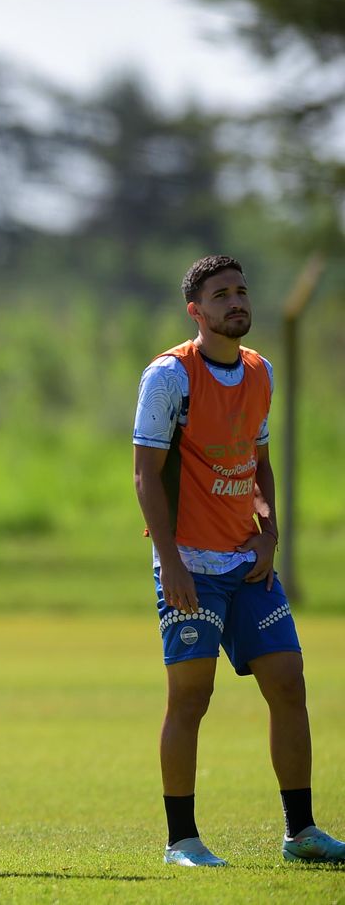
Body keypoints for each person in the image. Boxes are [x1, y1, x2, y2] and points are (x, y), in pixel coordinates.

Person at [133, 255, 345, 867]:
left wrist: (269, 533)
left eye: (241, 291)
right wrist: (168, 560)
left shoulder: (260, 372)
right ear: (196, 311)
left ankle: (301, 832)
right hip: (190, 565)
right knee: (190, 699)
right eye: (221, 295)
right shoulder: (168, 377)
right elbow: (146, 475)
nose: (236, 302)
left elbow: (259, 464)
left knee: (289, 682)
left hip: (247, 563)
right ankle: (182, 841)